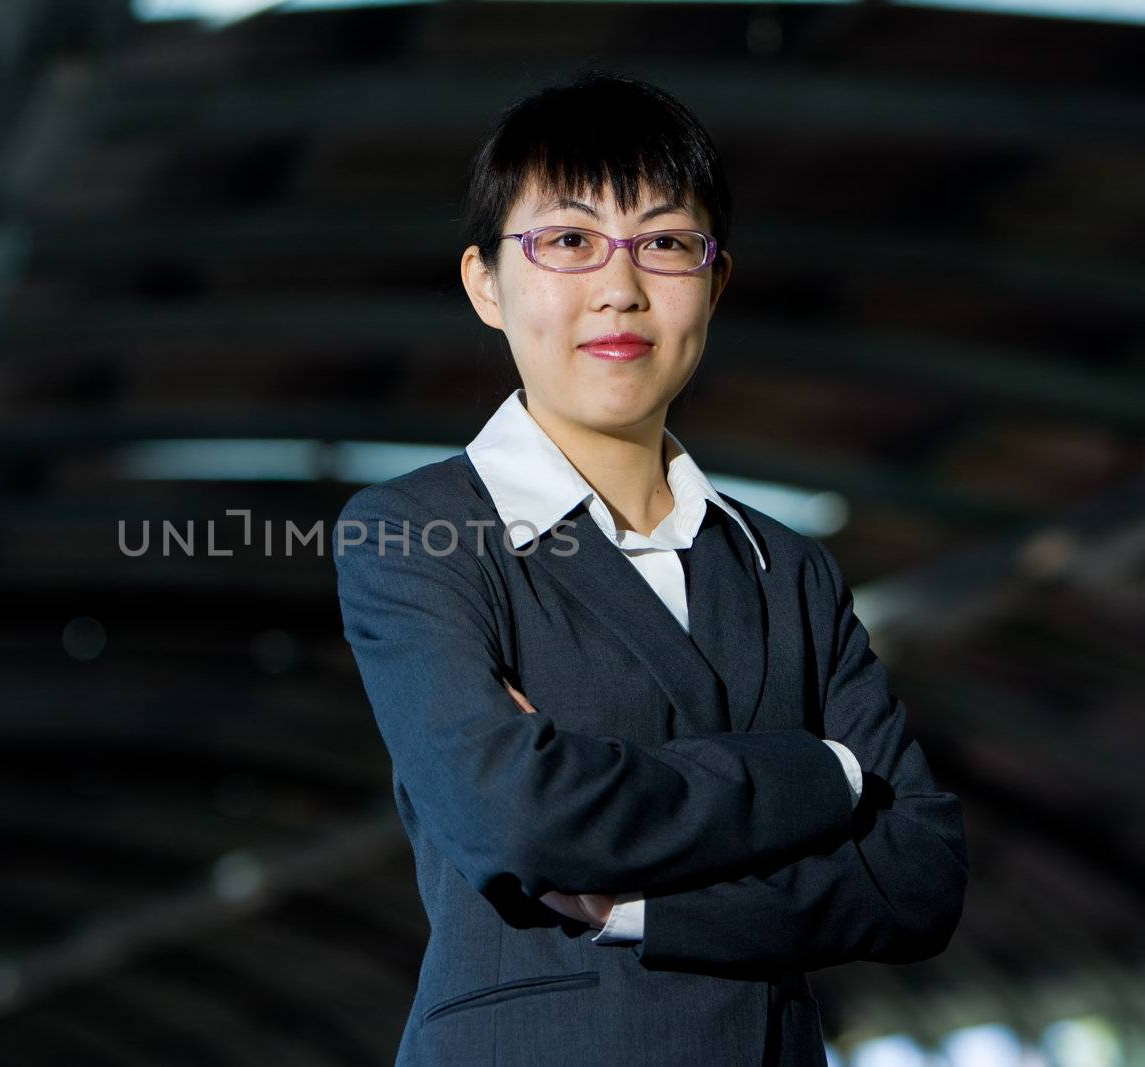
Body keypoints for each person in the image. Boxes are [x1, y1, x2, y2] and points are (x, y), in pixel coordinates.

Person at [331, 69, 967, 1067]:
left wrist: (635, 903)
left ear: (714, 282)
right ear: (485, 283)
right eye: (568, 242)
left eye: (665, 243)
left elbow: (916, 876)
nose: (620, 287)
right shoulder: (417, 531)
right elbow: (516, 816)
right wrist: (822, 770)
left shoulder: (784, 567)